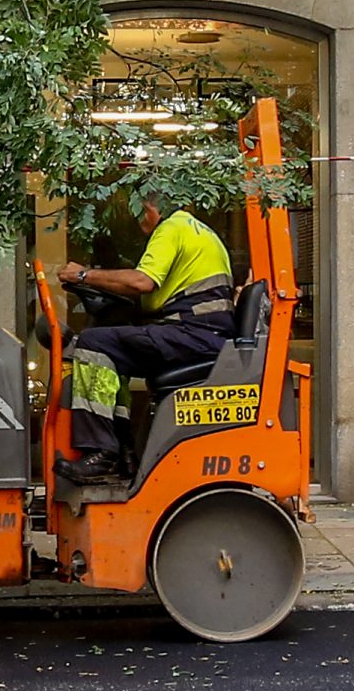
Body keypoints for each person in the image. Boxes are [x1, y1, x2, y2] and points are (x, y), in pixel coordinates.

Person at [54, 191, 237, 485]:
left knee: (92, 342)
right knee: (113, 353)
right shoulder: (199, 230)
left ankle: (100, 451)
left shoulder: (171, 228)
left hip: (192, 334)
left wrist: (84, 276)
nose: (139, 220)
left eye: (141, 211)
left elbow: (143, 281)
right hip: (204, 334)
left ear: (155, 206)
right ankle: (124, 450)